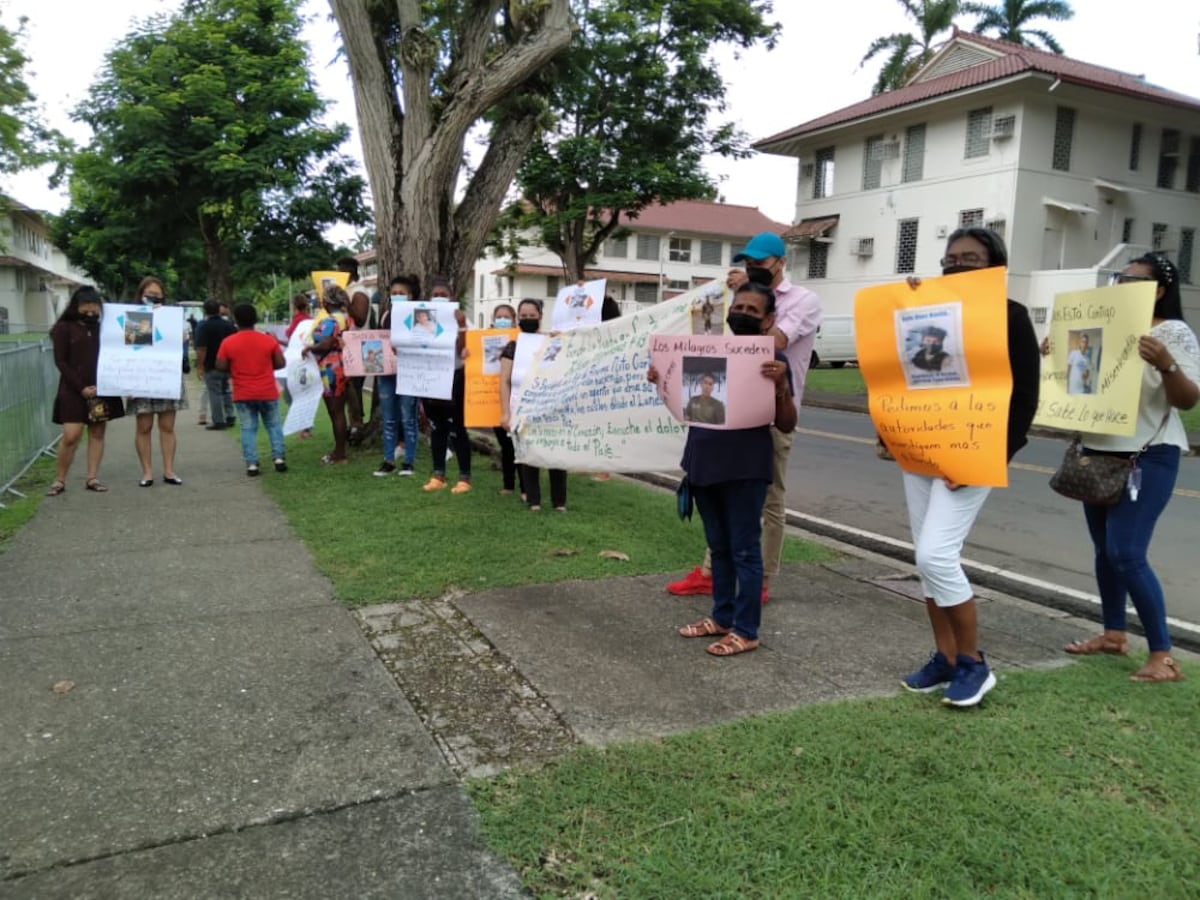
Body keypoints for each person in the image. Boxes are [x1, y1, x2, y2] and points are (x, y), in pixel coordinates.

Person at [897, 227, 1039, 706]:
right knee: (926, 561)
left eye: (970, 258)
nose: (957, 264)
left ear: (994, 266)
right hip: (920, 446)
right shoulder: (929, 311)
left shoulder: (1011, 316)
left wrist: (992, 457)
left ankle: (974, 662)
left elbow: (1024, 401)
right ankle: (946, 657)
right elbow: (903, 371)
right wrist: (909, 305)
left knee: (935, 555)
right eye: (951, 257)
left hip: (973, 451)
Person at [1062, 253, 1198, 683]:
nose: (1124, 285)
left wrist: (1165, 363)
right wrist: (1057, 358)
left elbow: (1188, 399)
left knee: (1126, 552)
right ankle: (1114, 634)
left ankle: (1163, 655)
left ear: (1160, 290)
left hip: (1147, 454)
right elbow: (1077, 385)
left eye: (1135, 280)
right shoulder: (1098, 328)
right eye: (1120, 278)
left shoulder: (1172, 332)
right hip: (1098, 450)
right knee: (1105, 552)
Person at [667, 232, 821, 602]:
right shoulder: (738, 297)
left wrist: (750, 305)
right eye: (748, 263)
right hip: (728, 409)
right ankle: (711, 572)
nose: (753, 268)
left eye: (760, 263)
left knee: (769, 498)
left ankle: (761, 577)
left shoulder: (803, 300)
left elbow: (775, 342)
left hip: (774, 408)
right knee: (720, 491)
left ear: (780, 262)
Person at [648, 282, 797, 656]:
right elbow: (683, 408)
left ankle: (747, 630)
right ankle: (722, 617)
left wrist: (779, 386)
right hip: (702, 464)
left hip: (745, 468)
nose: (742, 313)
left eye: (752, 309)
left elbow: (787, 422)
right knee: (719, 548)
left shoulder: (773, 360)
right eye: (739, 306)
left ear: (768, 319)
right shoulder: (706, 351)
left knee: (745, 550)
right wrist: (661, 379)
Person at [46, 286, 125, 495]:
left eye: (94, 309)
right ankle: (59, 480)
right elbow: (61, 361)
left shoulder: (104, 328)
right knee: (71, 435)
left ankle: (92, 477)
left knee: (97, 432)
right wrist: (81, 387)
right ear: (76, 307)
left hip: (101, 389)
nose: (90, 313)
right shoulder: (64, 328)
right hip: (73, 390)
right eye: (86, 309)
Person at [499, 299, 566, 511]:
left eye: (532, 316)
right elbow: (504, 381)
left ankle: (559, 502)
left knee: (555, 455)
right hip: (522, 408)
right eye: (523, 316)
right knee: (528, 454)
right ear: (518, 319)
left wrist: (559, 340)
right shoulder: (513, 347)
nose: (528, 320)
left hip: (550, 406)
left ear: (540, 317)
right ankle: (533, 500)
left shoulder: (552, 342)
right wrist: (505, 413)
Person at [127, 276, 189, 487]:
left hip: (167, 376)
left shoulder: (171, 317)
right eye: (149, 295)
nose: (153, 299)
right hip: (141, 378)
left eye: (157, 295)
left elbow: (180, 341)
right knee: (143, 426)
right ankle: (147, 472)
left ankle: (169, 471)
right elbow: (133, 348)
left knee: (167, 426)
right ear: (140, 295)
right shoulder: (135, 318)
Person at [216, 303, 287, 476]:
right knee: (273, 425)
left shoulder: (228, 342)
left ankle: (252, 464)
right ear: (255, 319)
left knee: (248, 428)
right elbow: (280, 363)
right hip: (267, 390)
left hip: (243, 392)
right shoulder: (268, 340)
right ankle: (278, 458)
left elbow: (220, 365)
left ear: (236, 320)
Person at [421, 277, 472, 493]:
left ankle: (464, 478)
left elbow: (466, 350)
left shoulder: (463, 320)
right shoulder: (422, 322)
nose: (440, 298)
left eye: (444, 295)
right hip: (431, 380)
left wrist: (461, 327)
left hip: (456, 379)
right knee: (437, 428)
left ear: (452, 298)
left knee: (458, 429)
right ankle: (438, 475)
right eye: (436, 295)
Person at [374, 275, 421, 476]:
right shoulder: (386, 316)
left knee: (408, 417)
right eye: (394, 293)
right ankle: (388, 460)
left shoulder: (419, 318)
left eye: (401, 293)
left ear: (410, 296)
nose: (397, 296)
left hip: (410, 373)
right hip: (387, 374)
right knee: (389, 419)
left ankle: (408, 462)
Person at [304, 285, 351, 465]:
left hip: (331, 369)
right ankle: (340, 450)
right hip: (342, 366)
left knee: (335, 412)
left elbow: (325, 344)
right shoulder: (345, 318)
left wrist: (310, 348)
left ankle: (339, 454)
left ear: (327, 301)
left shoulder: (332, 321)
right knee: (339, 411)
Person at [336, 256, 371, 444]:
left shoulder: (358, 292)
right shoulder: (347, 290)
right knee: (349, 388)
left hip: (359, 346)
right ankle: (354, 424)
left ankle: (357, 426)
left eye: (341, 271)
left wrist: (346, 304)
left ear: (350, 273)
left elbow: (360, 319)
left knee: (354, 388)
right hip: (348, 346)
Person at [488, 303, 522, 495]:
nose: (502, 320)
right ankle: (508, 484)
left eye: (506, 316)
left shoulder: (523, 339)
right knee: (505, 445)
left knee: (518, 444)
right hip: (493, 400)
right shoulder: (484, 339)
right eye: (499, 316)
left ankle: (525, 486)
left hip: (517, 398)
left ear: (514, 320)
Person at [194, 298, 237, 432]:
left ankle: (218, 420)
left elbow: (202, 348)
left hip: (212, 364)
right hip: (227, 364)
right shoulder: (229, 325)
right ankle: (230, 416)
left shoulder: (203, 326)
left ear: (205, 311)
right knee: (226, 390)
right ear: (219, 309)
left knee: (215, 393)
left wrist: (199, 366)